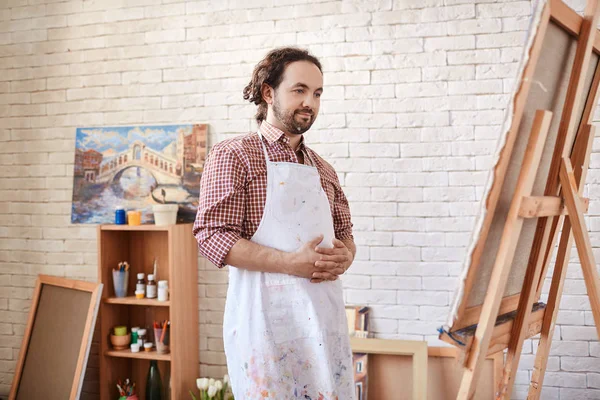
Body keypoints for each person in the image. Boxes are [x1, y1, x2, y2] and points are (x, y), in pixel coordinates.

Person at [193, 47, 356, 399]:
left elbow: (345, 234)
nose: (309, 102)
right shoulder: (234, 155)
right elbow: (211, 236)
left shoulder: (324, 169)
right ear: (268, 93)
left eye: (316, 93)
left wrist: (346, 256)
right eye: (299, 90)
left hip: (323, 321)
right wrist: (288, 263)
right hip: (265, 323)